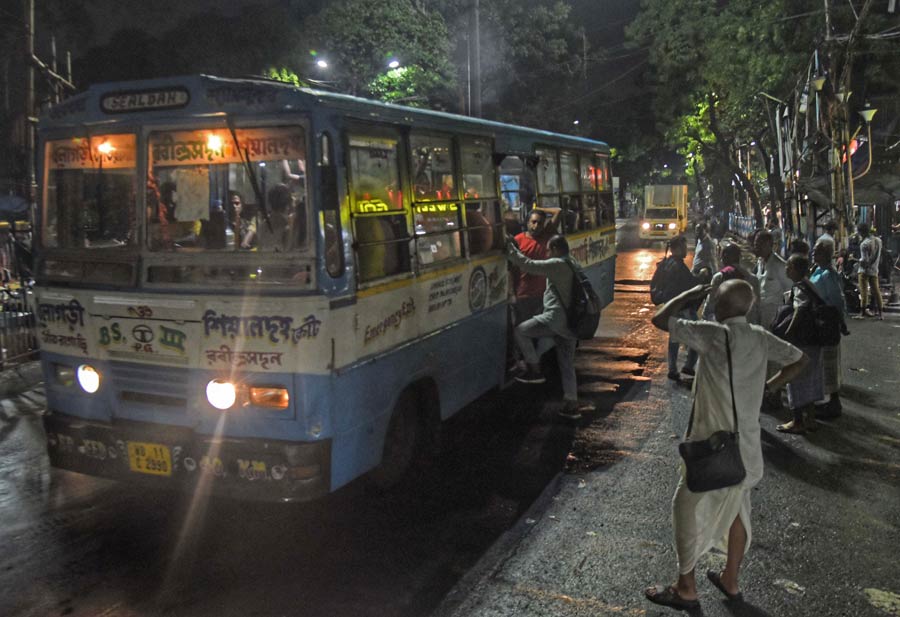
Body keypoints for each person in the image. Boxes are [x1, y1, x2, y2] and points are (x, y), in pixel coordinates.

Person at [645, 280, 807, 611]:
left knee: (684, 509)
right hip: (746, 450)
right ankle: (730, 580)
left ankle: (686, 587)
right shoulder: (760, 337)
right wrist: (770, 385)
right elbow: (799, 360)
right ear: (749, 306)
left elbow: (660, 319)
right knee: (738, 512)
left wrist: (688, 294)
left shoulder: (712, 334)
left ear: (718, 306)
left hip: (713, 449)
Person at [506, 234, 593, 420]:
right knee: (567, 364)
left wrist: (510, 248)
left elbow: (527, 264)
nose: (546, 253)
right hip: (572, 323)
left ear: (555, 249)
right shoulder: (572, 262)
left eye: (548, 250)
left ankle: (534, 369)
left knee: (521, 331)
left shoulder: (557, 264)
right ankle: (572, 404)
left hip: (555, 319)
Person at [776, 253, 826, 434]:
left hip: (802, 339)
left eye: (788, 266)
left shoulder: (800, 288)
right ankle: (810, 419)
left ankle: (797, 421)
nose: (786, 269)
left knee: (794, 377)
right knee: (810, 378)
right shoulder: (809, 284)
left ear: (796, 269)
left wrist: (788, 333)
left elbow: (800, 311)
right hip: (814, 340)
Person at [651, 235, 700, 381]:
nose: (686, 250)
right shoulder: (678, 267)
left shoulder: (667, 263)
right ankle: (689, 365)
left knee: (674, 338)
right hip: (682, 308)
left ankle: (673, 369)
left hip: (671, 307)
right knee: (697, 335)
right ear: (677, 248)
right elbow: (689, 286)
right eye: (684, 247)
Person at [810, 240, 849, 419]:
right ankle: (828, 401)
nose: (813, 253)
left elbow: (837, 302)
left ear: (826, 254)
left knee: (830, 363)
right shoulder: (817, 271)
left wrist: (841, 323)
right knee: (823, 363)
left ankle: (834, 403)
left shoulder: (829, 274)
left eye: (817, 251)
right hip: (818, 321)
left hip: (828, 322)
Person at [702, 242, 762, 324]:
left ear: (724, 257)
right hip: (747, 325)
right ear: (739, 258)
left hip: (724, 326)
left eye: (721, 257)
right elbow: (757, 308)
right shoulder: (753, 279)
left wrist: (705, 319)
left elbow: (710, 306)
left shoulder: (719, 277)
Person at [511, 209, 555, 323]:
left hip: (542, 295)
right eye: (533, 222)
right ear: (527, 223)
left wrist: (540, 208)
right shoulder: (518, 240)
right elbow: (511, 269)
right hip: (523, 294)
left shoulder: (546, 238)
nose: (536, 226)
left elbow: (558, 212)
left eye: (540, 223)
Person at [753, 230, 792, 330]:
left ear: (769, 245)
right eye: (755, 244)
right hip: (760, 314)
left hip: (774, 316)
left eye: (759, 245)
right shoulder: (759, 263)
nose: (756, 248)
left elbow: (790, 291)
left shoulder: (780, 265)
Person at [856, 222, 884, 319]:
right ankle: (881, 314)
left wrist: (857, 261)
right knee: (876, 291)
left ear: (861, 232)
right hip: (874, 269)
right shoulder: (878, 241)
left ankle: (862, 313)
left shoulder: (864, 244)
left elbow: (864, 261)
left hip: (864, 271)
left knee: (864, 292)